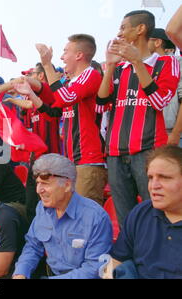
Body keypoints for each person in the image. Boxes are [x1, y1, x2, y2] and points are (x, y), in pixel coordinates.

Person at [97, 10, 180, 226]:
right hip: (115, 151)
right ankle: (132, 259)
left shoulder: (166, 63)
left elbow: (159, 101)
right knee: (127, 220)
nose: (119, 33)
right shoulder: (117, 68)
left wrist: (137, 63)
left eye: (123, 27)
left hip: (148, 151)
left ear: (140, 29)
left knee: (158, 214)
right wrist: (110, 67)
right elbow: (100, 104)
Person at [18, 34, 107, 206]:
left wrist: (47, 65)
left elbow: (64, 98)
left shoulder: (91, 75)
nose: (62, 57)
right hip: (71, 161)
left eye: (66, 52)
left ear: (79, 55)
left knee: (85, 217)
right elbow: (52, 112)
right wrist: (30, 93)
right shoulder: (71, 84)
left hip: (88, 160)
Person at [12, 154, 112, 279]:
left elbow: (94, 268)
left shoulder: (95, 217)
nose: (38, 190)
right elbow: (33, 245)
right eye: (38, 183)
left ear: (67, 185)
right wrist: (21, 272)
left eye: (45, 184)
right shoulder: (42, 209)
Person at [104, 145, 182, 279]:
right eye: (151, 178)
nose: (154, 186)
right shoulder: (141, 213)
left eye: (164, 178)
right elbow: (117, 260)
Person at [148, 28, 182, 147]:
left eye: (146, 40)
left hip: (171, 134)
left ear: (158, 42)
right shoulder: (141, 66)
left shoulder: (177, 62)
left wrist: (176, 133)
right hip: (147, 135)